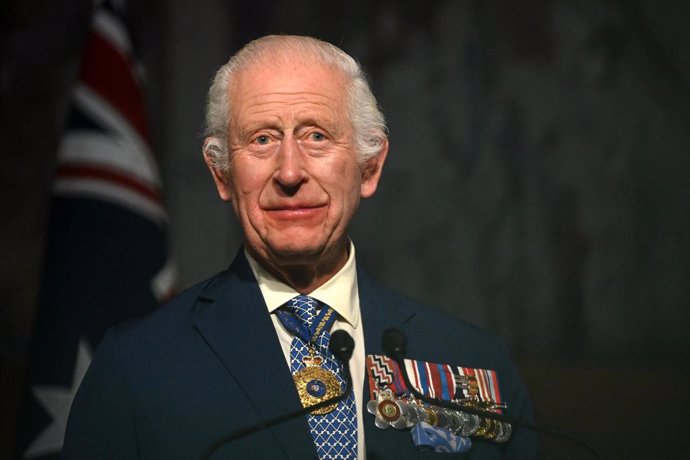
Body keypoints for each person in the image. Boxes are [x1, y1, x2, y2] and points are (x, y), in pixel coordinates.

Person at [63, 35, 540, 459]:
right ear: (222, 175)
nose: (290, 172)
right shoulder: (136, 366)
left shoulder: (473, 361)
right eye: (262, 138)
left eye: (316, 135)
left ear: (369, 168)